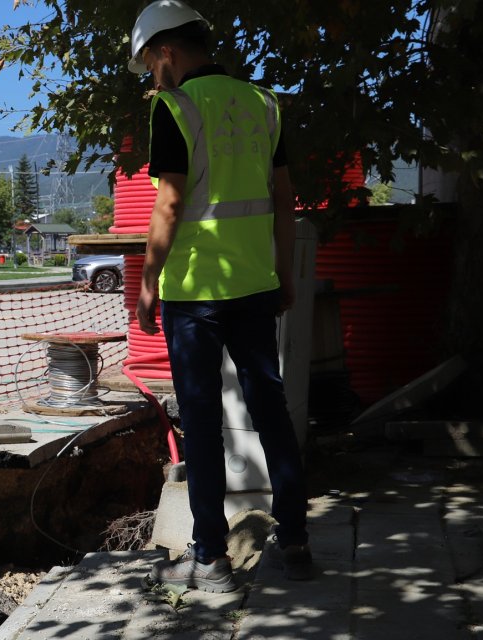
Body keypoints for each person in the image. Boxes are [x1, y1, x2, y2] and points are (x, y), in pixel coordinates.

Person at [129, 0, 313, 591]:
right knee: (271, 412)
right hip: (255, 284)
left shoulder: (174, 108)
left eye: (150, 64)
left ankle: (210, 559)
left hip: (194, 293)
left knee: (202, 422)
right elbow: (282, 198)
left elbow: (170, 204)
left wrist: (148, 285)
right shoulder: (264, 104)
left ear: (166, 52)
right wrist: (285, 273)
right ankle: (296, 543)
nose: (152, 77)